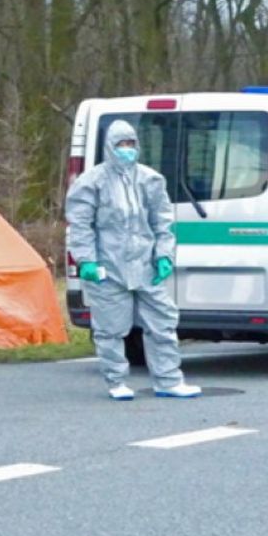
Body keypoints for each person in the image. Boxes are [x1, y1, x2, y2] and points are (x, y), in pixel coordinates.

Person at [65, 119, 201, 401]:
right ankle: (116, 381)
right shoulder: (91, 182)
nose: (126, 150)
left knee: (162, 321)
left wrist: (164, 255)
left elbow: (163, 222)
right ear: (110, 147)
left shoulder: (150, 179)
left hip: (145, 266)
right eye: (121, 145)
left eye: (130, 144)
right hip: (108, 267)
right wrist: (86, 260)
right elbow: (79, 225)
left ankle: (168, 380)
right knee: (111, 328)